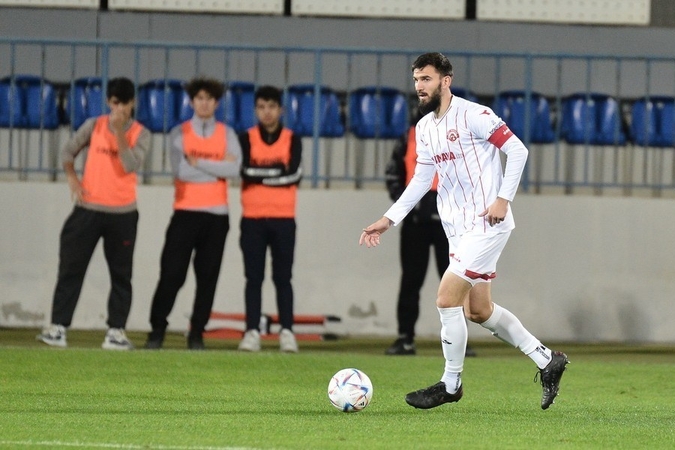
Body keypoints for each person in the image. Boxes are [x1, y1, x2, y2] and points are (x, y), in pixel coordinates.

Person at [360, 53, 569, 410]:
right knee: (479, 310)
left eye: (426, 79)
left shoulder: (475, 114)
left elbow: (517, 151)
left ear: (446, 80)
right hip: (457, 229)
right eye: (416, 80)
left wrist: (503, 199)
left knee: (446, 299)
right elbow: (421, 179)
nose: (419, 86)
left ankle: (451, 383)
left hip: (487, 223)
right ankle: (547, 359)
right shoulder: (424, 128)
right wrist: (388, 219)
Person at [37, 77, 150, 350]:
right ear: (109, 102)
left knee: (121, 275)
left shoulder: (141, 133)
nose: (120, 109)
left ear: (133, 103)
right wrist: (72, 179)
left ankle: (116, 331)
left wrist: (119, 132)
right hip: (87, 209)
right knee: (71, 268)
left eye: (125, 103)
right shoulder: (93, 125)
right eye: (115, 103)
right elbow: (67, 151)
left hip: (123, 212)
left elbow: (129, 165)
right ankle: (58, 327)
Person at [144, 76, 241, 350]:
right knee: (172, 275)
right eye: (199, 98)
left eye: (209, 99)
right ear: (192, 101)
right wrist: (218, 166)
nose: (204, 103)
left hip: (217, 215)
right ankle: (157, 330)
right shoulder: (180, 132)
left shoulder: (228, 134)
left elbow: (235, 169)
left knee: (207, 278)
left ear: (217, 103)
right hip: (185, 212)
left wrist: (198, 163)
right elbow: (181, 171)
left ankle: (197, 333)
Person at [384, 117, 476, 358]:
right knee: (411, 280)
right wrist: (409, 206)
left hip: (450, 223)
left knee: (456, 282)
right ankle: (405, 337)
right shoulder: (408, 137)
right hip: (416, 222)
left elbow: (470, 176)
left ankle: (459, 340)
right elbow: (393, 175)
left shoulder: (458, 135)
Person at [236, 85, 302, 353]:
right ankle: (252, 331)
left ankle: (287, 332)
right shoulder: (246, 138)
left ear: (281, 110)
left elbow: (294, 175)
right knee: (253, 278)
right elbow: (244, 172)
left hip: (284, 219)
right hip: (252, 219)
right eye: (262, 107)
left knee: (283, 278)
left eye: (272, 107)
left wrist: (260, 175)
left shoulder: (292, 138)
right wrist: (276, 171)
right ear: (255, 110)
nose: (267, 112)